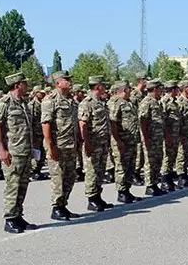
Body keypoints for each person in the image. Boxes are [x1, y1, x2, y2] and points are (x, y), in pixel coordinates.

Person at [0, 73, 38, 233]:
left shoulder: (23, 103)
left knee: (22, 185)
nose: (27, 85)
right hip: (13, 152)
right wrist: (1, 150)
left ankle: (18, 216)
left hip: (25, 151)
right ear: (18, 85)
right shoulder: (4, 103)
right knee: (13, 186)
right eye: (25, 83)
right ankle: (10, 219)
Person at [42, 71, 81, 221]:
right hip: (58, 145)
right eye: (67, 80)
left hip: (71, 145)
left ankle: (63, 205)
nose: (70, 82)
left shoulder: (71, 100)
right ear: (58, 83)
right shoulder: (50, 100)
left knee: (70, 177)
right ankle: (56, 207)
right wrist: (51, 146)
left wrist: (78, 141)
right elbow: (46, 124)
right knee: (58, 177)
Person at [78, 75, 114, 212]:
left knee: (100, 171)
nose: (105, 88)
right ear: (98, 86)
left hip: (103, 143)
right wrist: (86, 143)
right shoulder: (87, 103)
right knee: (92, 171)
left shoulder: (101, 102)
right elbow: (83, 124)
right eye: (103, 85)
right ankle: (91, 199)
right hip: (93, 143)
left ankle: (98, 196)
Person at [109, 81, 140, 203]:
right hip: (122, 141)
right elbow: (113, 122)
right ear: (123, 90)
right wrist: (117, 140)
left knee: (130, 166)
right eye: (128, 89)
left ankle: (127, 190)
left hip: (131, 140)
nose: (130, 91)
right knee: (121, 166)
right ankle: (121, 192)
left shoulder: (129, 102)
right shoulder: (115, 102)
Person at [138, 78, 167, 196]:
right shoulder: (147, 102)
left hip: (158, 138)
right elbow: (142, 121)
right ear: (155, 89)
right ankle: (149, 185)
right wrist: (145, 138)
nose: (162, 91)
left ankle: (155, 183)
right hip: (150, 138)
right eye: (160, 88)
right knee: (150, 161)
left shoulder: (156, 102)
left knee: (157, 160)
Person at [161, 80, 182, 190]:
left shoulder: (174, 101)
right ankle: (164, 180)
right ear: (173, 90)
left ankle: (169, 179)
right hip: (169, 134)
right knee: (167, 157)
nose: (178, 91)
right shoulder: (165, 101)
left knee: (172, 156)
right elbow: (164, 120)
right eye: (177, 89)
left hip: (175, 134)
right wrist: (167, 135)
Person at [175, 81, 188, 187]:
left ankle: (185, 175)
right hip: (182, 133)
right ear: (184, 88)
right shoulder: (180, 102)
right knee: (181, 154)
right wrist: (179, 134)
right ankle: (181, 176)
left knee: (186, 154)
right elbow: (178, 120)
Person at [29, 85, 49, 181]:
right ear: (35, 93)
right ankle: (34, 171)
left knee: (43, 153)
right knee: (36, 153)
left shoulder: (43, 103)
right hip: (36, 134)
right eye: (40, 93)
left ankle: (39, 170)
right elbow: (30, 122)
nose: (42, 94)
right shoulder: (32, 105)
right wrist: (32, 135)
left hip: (43, 132)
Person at [130, 73, 147, 185]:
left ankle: (138, 172)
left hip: (143, 125)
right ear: (141, 81)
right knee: (138, 151)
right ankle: (134, 174)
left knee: (142, 151)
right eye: (146, 80)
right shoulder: (134, 94)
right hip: (136, 125)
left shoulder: (144, 94)